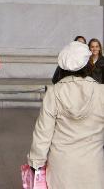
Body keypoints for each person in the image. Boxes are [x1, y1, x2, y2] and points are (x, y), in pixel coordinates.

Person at [28, 41, 104, 189]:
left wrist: (36, 162)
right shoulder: (101, 92)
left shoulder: (54, 92)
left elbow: (43, 133)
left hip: (61, 168)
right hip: (94, 166)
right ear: (88, 64)